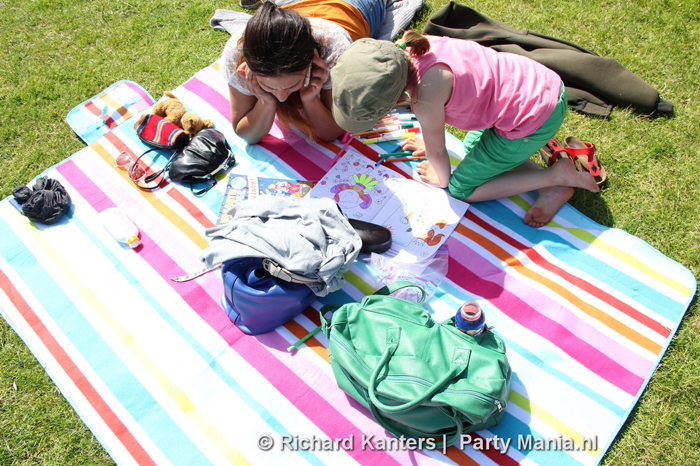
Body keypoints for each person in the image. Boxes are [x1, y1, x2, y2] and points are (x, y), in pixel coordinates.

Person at [330, 32, 601, 228]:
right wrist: (432, 144)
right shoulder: (418, 46)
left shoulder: (425, 97)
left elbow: (438, 151)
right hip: (539, 86)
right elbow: (454, 107)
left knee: (462, 188)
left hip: (532, 118)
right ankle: (550, 177)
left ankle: (554, 178)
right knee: (472, 151)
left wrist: (441, 175)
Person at [220, 0, 386, 144]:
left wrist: (310, 99)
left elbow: (332, 132)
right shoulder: (236, 54)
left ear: (311, 63)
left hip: (354, 7)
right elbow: (247, 134)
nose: (281, 98)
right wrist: (266, 101)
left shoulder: (334, 48)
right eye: (269, 86)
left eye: (292, 85)